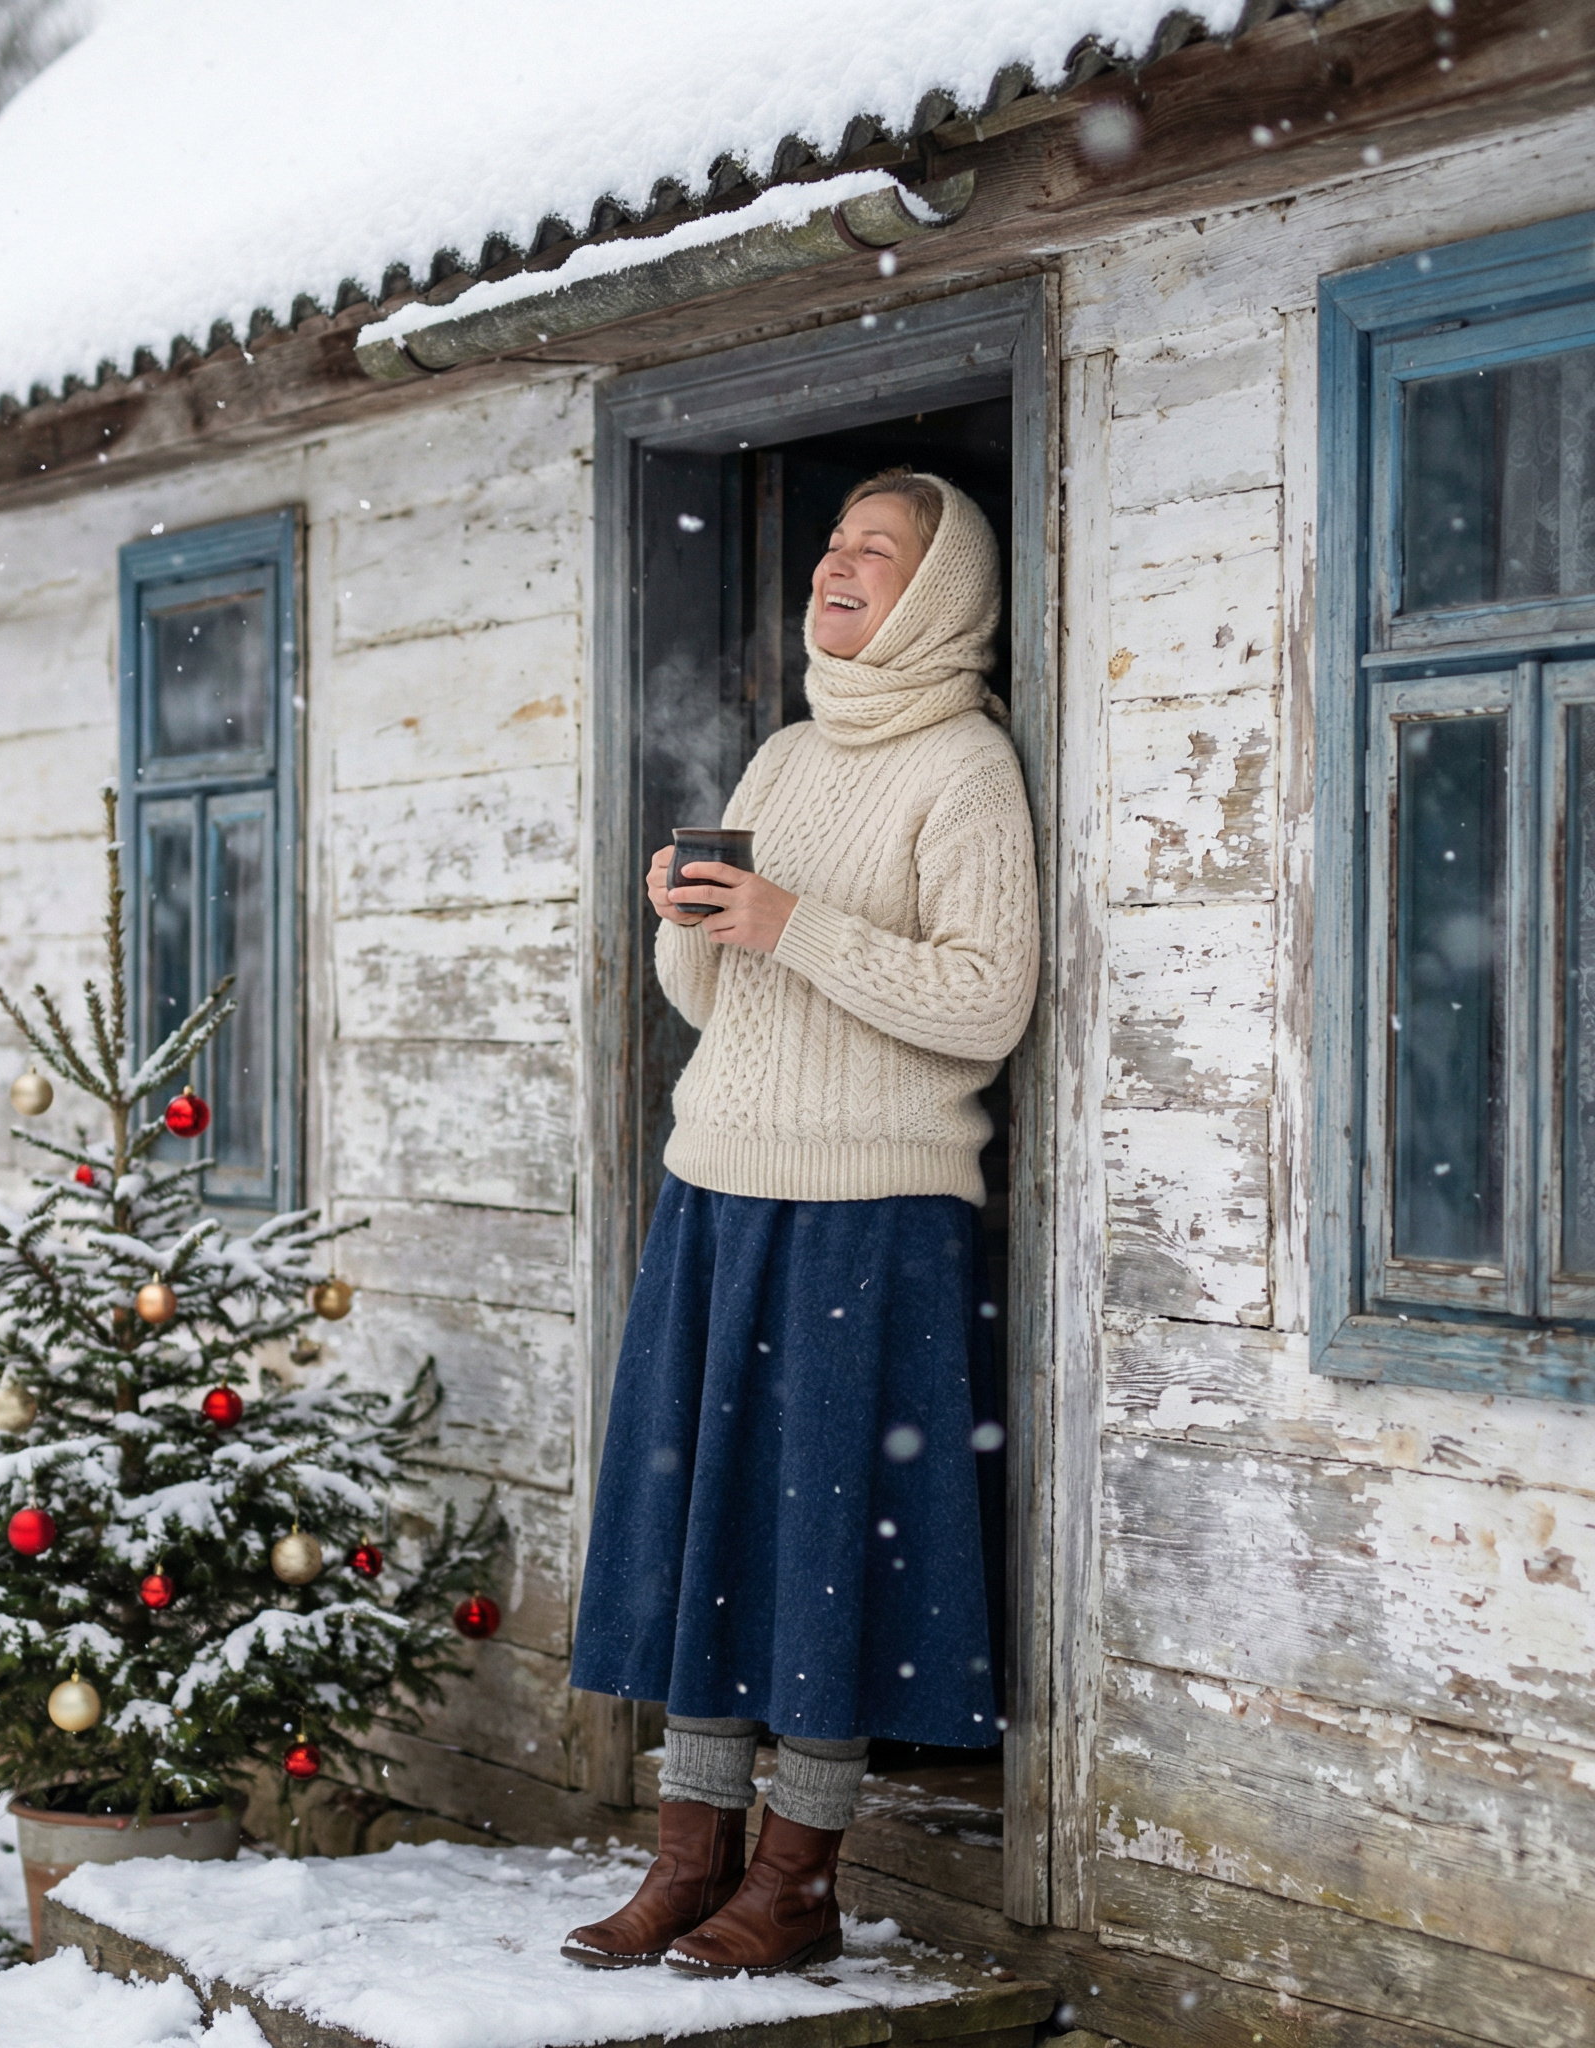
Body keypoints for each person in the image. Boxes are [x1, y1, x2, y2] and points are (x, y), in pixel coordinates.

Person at [562, 469, 1038, 1979]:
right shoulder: (782, 753)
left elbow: (985, 1000)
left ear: (943, 592)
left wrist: (792, 925)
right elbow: (718, 1000)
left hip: (870, 1210)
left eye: (874, 551)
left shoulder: (965, 767)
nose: (836, 566)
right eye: (831, 545)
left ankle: (798, 1875)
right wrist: (689, 920)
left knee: (826, 1536)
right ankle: (686, 1860)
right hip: (722, 1188)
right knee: (705, 1523)